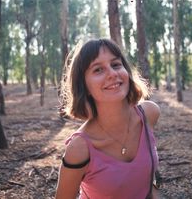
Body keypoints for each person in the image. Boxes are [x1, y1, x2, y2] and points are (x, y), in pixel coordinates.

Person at [55, 38, 160, 199]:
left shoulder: (149, 114)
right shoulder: (80, 148)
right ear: (84, 86)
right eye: (98, 70)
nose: (112, 73)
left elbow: (148, 184)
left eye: (116, 64)